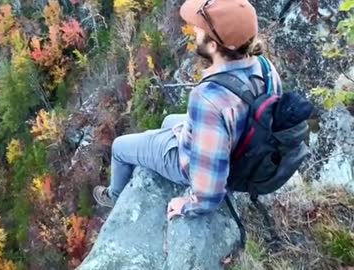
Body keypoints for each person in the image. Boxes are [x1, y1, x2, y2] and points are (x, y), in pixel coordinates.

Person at [93, 0, 282, 220]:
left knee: (119, 147)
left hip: (192, 162)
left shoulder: (209, 98)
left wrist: (190, 205)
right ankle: (166, 139)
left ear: (213, 45)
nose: (194, 32)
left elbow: (210, 191)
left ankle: (115, 195)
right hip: (242, 145)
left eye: (200, 30)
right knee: (169, 120)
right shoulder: (265, 68)